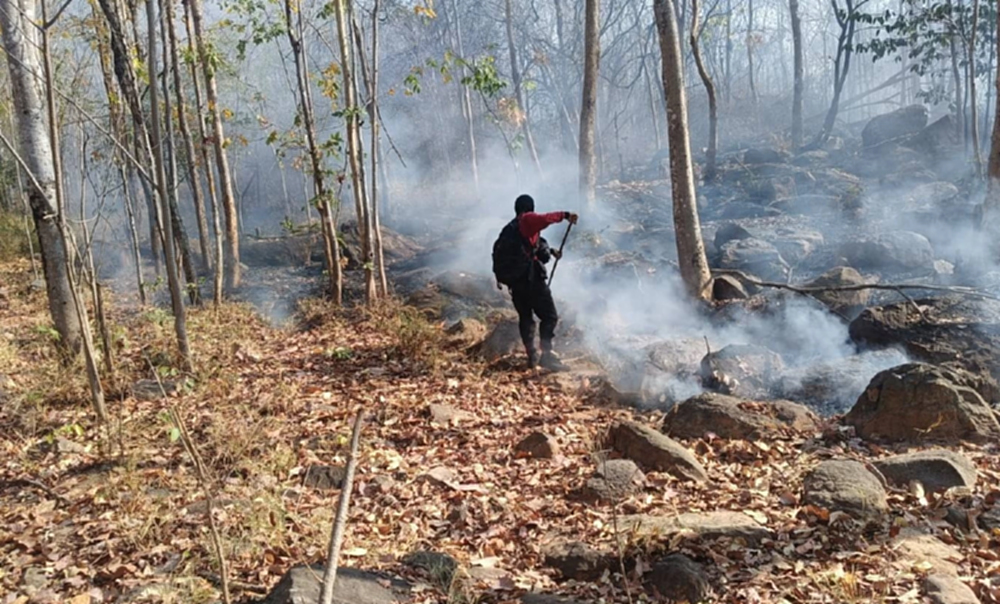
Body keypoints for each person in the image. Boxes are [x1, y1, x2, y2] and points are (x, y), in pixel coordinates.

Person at [499, 194, 578, 370]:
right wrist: (565, 215)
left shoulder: (511, 229)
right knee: (549, 316)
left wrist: (550, 252)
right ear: (529, 208)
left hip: (516, 283)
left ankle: (532, 355)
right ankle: (547, 355)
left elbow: (533, 249)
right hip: (531, 281)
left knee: (526, 318)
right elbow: (545, 219)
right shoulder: (527, 219)